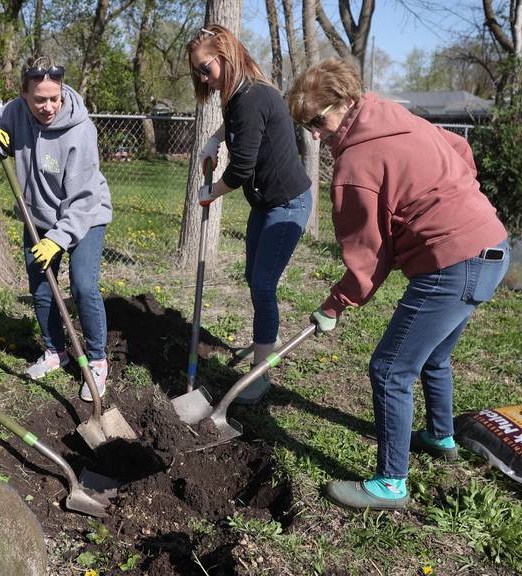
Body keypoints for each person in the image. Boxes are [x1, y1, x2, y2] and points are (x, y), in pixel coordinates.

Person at [286, 58, 510, 510]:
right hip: (493, 246)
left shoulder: (355, 163)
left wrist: (335, 304)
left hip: (452, 262)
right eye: (305, 125)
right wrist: (457, 197)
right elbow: (459, 150)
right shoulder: (395, 115)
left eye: (317, 120)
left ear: (343, 102)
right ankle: (440, 436)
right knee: (435, 355)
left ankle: (391, 483)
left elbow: (368, 253)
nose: (313, 134)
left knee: (390, 370)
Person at [0, 56, 113, 401]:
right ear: (24, 94)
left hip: (85, 216)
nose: (48, 107)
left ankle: (96, 359)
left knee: (82, 285)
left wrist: (58, 240)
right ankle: (55, 351)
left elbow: (82, 200)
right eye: (39, 99)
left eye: (54, 98)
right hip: (38, 218)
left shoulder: (81, 130)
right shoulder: (15, 111)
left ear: (62, 92)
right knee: (42, 287)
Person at [186, 25, 312, 402]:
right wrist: (214, 138)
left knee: (262, 285)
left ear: (225, 56)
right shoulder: (239, 93)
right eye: (197, 72)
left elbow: (241, 169)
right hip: (265, 204)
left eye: (205, 68)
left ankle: (260, 375)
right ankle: (263, 346)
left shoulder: (252, 95)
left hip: (286, 204)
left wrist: (211, 193)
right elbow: (240, 125)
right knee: (253, 278)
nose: (202, 78)